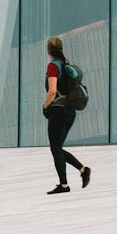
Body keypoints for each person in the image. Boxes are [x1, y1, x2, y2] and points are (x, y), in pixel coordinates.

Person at [42, 35, 92, 196]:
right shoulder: (65, 65)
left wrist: (45, 105)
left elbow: (52, 91)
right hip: (70, 112)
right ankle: (82, 170)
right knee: (57, 148)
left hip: (58, 111)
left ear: (48, 51)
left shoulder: (53, 67)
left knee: (55, 148)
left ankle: (64, 184)